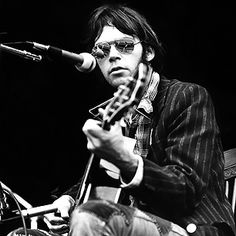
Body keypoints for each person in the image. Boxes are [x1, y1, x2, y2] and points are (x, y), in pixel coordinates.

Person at [8, 3, 236, 236]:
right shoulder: (113, 114)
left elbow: (185, 190)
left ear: (148, 52)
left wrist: (124, 159)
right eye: (102, 50)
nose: (113, 55)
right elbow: (100, 182)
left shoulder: (188, 97)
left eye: (125, 45)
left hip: (193, 229)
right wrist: (67, 200)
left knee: (93, 217)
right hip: (131, 224)